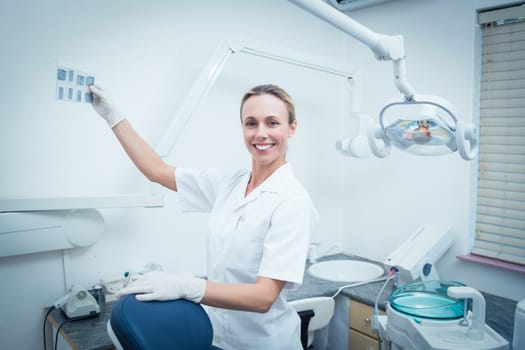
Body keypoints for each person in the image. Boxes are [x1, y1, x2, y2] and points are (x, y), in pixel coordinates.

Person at [89, 83, 318, 349]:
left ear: (292, 128)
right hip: (218, 338)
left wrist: (188, 286)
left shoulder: (293, 201)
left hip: (265, 343)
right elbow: (157, 171)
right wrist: (113, 116)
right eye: (251, 123)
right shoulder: (230, 184)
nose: (261, 133)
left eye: (273, 123)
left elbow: (263, 297)